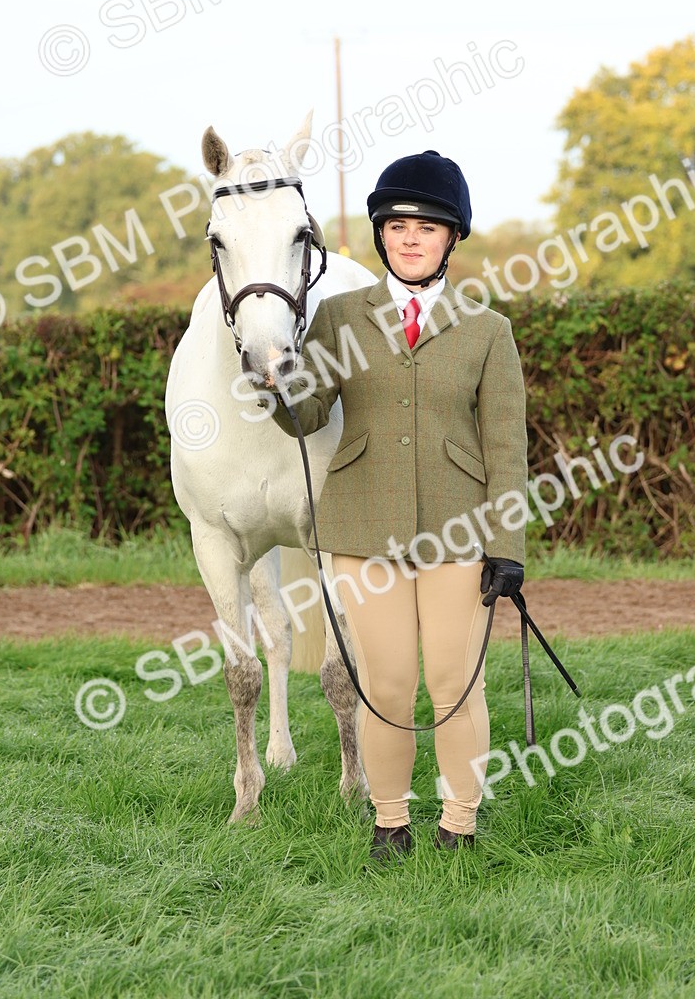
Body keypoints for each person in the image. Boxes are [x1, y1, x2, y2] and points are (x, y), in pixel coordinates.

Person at [269, 150, 528, 862]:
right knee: (385, 684)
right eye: (399, 225)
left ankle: (459, 824)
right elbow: (307, 416)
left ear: (452, 239)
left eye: (429, 227)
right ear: (382, 234)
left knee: (454, 684)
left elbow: (507, 451)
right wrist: (279, 380)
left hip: (460, 530)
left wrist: (507, 545)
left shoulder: (487, 332)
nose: (411, 237)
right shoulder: (337, 317)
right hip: (364, 527)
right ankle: (389, 822)